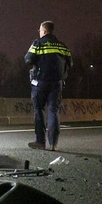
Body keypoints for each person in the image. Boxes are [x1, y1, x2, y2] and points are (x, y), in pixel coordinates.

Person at [24, 21, 72, 151]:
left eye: (39, 30)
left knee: (39, 110)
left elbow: (28, 59)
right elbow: (70, 62)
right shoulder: (62, 46)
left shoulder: (38, 44)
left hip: (40, 82)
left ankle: (40, 141)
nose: (39, 32)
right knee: (53, 111)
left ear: (44, 31)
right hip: (57, 83)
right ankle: (53, 143)